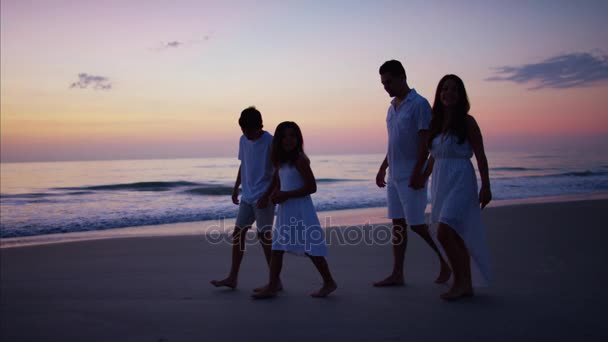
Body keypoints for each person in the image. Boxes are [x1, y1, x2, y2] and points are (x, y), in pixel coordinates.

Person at [374, 60, 451, 287]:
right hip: (394, 175)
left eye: (389, 81)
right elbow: (394, 142)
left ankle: (447, 261)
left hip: (411, 173)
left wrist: (419, 172)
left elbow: (425, 142)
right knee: (397, 224)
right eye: (383, 83)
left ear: (402, 77)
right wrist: (383, 166)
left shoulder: (419, 104)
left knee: (416, 224)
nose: (385, 87)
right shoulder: (392, 108)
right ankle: (397, 273)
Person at [423, 74, 492, 300]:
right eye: (444, 89)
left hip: (461, 178)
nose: (448, 93)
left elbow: (480, 156)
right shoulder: (435, 122)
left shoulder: (468, 121)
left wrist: (486, 186)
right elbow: (435, 155)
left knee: (445, 230)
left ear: (461, 94)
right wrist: (422, 177)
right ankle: (465, 283)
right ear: (439, 94)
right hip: (441, 181)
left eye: (453, 89)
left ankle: (462, 282)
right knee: (451, 233)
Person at [252, 121, 337, 299]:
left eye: (293, 135)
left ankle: (329, 282)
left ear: (298, 138)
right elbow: (277, 181)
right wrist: (271, 196)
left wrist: (286, 195)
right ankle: (273, 285)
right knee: (277, 247)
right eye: (284, 136)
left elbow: (312, 187)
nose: (288, 140)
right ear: (279, 140)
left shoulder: (300, 160)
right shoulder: (281, 161)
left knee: (311, 248)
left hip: (300, 209)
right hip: (286, 209)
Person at [211, 106, 280, 290]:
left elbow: (277, 173)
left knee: (264, 237)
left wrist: (267, 196)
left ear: (259, 126)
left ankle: (275, 281)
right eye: (243, 129)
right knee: (238, 234)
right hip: (247, 196)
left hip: (264, 197)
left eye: (249, 129)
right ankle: (232, 277)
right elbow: (244, 164)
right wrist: (236, 187)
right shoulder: (243, 139)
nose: (246, 133)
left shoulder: (270, 142)